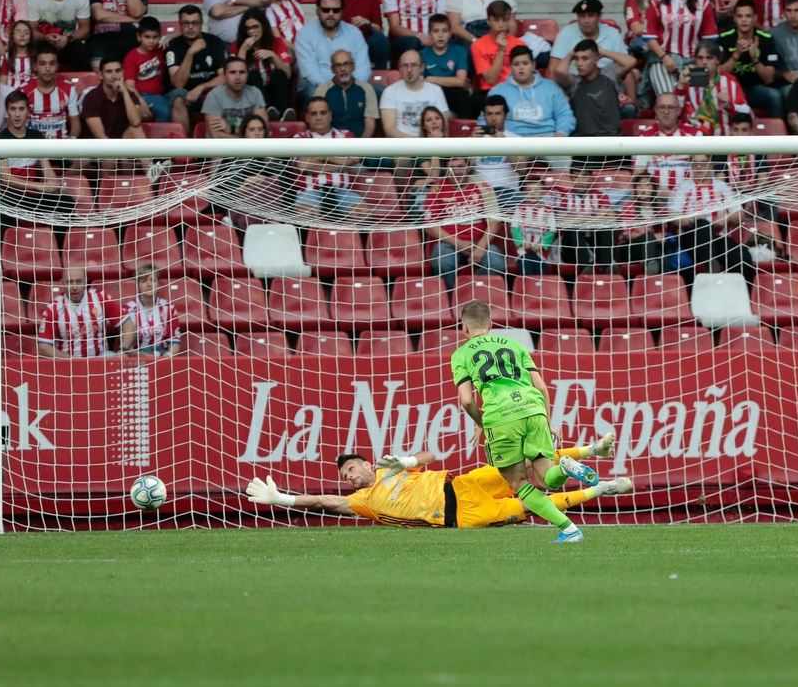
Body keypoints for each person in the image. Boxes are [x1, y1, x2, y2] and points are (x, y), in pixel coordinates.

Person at [244, 438, 628, 529]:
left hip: (460, 484)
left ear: (364, 461)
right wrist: (284, 498)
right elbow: (326, 503)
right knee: (529, 506)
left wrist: (408, 460)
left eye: (351, 470)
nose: (349, 478)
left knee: (525, 465)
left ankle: (591, 451)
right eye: (346, 478)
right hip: (461, 515)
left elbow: (429, 457)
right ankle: (599, 489)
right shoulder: (365, 501)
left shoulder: (390, 466)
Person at [450, 299, 590, 543]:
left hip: (502, 417)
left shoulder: (461, 354)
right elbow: (542, 387)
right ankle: (566, 475)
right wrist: (546, 421)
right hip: (534, 408)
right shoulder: (515, 345)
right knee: (547, 479)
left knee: (518, 482)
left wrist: (481, 423)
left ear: (464, 328)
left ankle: (569, 529)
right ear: (491, 325)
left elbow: (466, 400)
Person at [423, 158, 507, 288]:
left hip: (479, 242)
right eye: (452, 168)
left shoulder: (483, 186)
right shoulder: (436, 189)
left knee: (497, 264)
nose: (456, 171)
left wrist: (480, 248)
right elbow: (431, 227)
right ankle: (452, 300)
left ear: (468, 169)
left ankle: (468, 291)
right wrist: (458, 243)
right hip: (448, 244)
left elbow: (494, 222)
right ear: (446, 170)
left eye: (460, 167)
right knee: (444, 263)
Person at [645, 0, 719, 93]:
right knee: (668, 99)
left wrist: (700, 62)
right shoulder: (657, 2)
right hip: (663, 59)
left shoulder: (702, 1)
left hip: (694, 60)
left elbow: (709, 37)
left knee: (698, 99)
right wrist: (665, 58)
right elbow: (650, 36)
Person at [295, 0, 373, 110]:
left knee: (378, 91)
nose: (331, 14)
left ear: (342, 12)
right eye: (326, 10)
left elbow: (363, 68)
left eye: (335, 10)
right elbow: (311, 73)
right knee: (313, 93)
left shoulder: (354, 33)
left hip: (351, 85)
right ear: (318, 11)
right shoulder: (305, 34)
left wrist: (351, 88)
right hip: (317, 88)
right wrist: (335, 90)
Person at [553, 0, 637, 108]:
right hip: (578, 83)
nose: (586, 20)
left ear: (599, 16)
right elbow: (554, 70)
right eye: (582, 16)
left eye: (590, 15)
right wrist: (572, 54)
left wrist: (603, 52)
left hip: (609, 82)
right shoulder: (566, 33)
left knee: (629, 108)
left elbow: (629, 65)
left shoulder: (612, 33)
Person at [291, 97, 365, 219]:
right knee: (305, 214)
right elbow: (303, 165)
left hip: (342, 191)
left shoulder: (345, 135)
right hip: (311, 191)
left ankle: (344, 238)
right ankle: (320, 239)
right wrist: (340, 165)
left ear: (330, 115)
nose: (319, 117)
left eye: (323, 113)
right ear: (307, 117)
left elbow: (353, 160)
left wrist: (320, 156)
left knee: (362, 213)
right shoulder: (299, 138)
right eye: (314, 113)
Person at [717, 0, 784, 118]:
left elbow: (769, 79)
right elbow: (718, 74)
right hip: (729, 89)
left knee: (774, 96)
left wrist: (755, 58)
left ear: (754, 18)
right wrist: (736, 55)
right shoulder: (724, 39)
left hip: (754, 89)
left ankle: (775, 135)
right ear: (734, 18)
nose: (744, 20)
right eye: (740, 16)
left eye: (748, 16)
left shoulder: (766, 39)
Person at [165, 5, 229, 131]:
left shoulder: (214, 42)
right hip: (185, 94)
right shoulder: (173, 45)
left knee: (224, 92)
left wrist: (201, 87)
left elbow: (225, 76)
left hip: (210, 91)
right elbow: (178, 84)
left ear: (201, 23)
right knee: (178, 97)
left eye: (194, 23)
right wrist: (190, 53)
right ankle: (184, 148)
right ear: (179, 24)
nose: (190, 27)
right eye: (186, 23)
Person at [495, 47, 577, 142]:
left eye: (525, 63)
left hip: (547, 138)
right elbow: (487, 119)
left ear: (533, 65)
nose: (521, 68)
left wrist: (561, 133)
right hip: (511, 138)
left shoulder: (551, 87)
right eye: (516, 64)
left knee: (564, 154)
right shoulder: (498, 91)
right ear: (510, 67)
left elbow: (565, 114)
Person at [234, 9, 294, 120]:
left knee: (279, 73)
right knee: (253, 75)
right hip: (251, 93)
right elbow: (234, 76)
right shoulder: (237, 45)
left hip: (274, 90)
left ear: (263, 26)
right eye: (248, 28)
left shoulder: (277, 42)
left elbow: (288, 74)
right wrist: (243, 49)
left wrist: (273, 56)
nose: (251, 31)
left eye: (255, 27)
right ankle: (266, 113)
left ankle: (282, 115)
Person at [676, 40, 749, 132]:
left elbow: (746, 112)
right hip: (695, 139)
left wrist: (729, 106)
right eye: (700, 58)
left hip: (724, 138)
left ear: (718, 60)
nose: (704, 62)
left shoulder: (730, 81)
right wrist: (680, 86)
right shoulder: (687, 80)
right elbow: (675, 113)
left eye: (709, 58)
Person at [37, 266, 109, 358]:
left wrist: (123, 349)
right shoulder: (53, 308)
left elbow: (126, 322)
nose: (74, 287)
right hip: (68, 365)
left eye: (78, 282)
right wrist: (70, 359)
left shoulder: (100, 298)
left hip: (100, 361)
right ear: (62, 282)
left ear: (85, 281)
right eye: (69, 282)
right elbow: (43, 347)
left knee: (112, 356)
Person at [381, 49, 451, 138]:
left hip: (431, 147)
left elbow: (444, 126)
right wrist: (418, 143)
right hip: (402, 147)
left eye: (414, 65)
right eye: (405, 65)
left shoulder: (435, 90)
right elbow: (389, 129)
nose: (409, 70)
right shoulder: (390, 92)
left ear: (422, 67)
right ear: (399, 68)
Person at [472, 97, 526, 204]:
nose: (493, 118)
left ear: (505, 115)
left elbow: (522, 169)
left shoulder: (516, 139)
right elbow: (462, 169)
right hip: (480, 193)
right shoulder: (476, 138)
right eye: (489, 114)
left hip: (508, 193)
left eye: (498, 114)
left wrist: (505, 145)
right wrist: (471, 144)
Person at [340, 0, 390, 73]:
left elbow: (379, 29)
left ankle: (380, 76)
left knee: (380, 39)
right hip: (344, 42)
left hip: (366, 42)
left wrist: (367, 22)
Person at [313, 51, 379, 137]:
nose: (343, 69)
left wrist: (361, 146)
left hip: (360, 143)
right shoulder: (322, 91)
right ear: (332, 69)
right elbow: (319, 123)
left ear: (353, 66)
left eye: (346, 64)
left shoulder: (366, 89)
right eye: (338, 65)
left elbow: (370, 124)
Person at [81, 55, 147, 141]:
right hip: (96, 146)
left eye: (118, 71)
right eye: (109, 72)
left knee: (137, 130)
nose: (114, 76)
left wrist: (124, 93)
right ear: (101, 75)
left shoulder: (129, 95)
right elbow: (100, 136)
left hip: (119, 143)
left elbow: (136, 122)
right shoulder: (91, 98)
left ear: (123, 72)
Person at [119, 263, 180, 355]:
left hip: (162, 353)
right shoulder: (128, 309)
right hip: (138, 355)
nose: (149, 285)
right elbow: (126, 347)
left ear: (158, 284)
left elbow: (175, 340)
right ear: (138, 286)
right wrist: (145, 356)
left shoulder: (168, 308)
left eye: (153, 280)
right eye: (143, 281)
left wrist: (167, 357)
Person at [568, 39, 625, 136]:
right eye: (576, 59)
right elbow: (558, 71)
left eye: (585, 58)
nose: (579, 63)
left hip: (612, 138)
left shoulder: (609, 74)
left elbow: (631, 62)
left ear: (596, 59)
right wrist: (570, 54)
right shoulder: (575, 81)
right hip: (584, 140)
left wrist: (604, 52)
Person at [420, 14, 474, 117]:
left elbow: (460, 81)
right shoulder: (422, 54)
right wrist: (451, 81)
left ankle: (465, 130)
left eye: (444, 31)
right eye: (436, 31)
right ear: (429, 34)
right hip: (431, 93)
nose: (440, 35)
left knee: (464, 97)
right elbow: (420, 82)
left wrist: (430, 78)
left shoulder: (460, 51)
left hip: (453, 93)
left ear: (450, 33)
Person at [22, 51, 82, 141]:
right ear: (34, 66)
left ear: (57, 66)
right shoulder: (24, 91)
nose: (47, 68)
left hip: (60, 147)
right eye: (42, 64)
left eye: (52, 64)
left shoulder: (69, 89)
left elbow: (75, 124)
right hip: (32, 147)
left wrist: (72, 139)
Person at [203, 57, 270, 137]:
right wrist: (247, 138)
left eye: (242, 72)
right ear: (224, 75)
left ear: (247, 74)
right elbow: (217, 136)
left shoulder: (255, 93)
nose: (238, 77)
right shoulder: (214, 96)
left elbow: (262, 129)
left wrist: (232, 129)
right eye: (232, 72)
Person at [509, 175, 560, 275]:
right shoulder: (520, 209)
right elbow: (514, 228)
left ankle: (538, 289)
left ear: (543, 193)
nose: (533, 194)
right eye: (530, 190)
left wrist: (541, 245)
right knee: (526, 266)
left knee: (540, 269)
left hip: (540, 251)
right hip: (523, 250)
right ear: (525, 192)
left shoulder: (548, 211)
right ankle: (527, 289)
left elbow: (552, 231)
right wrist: (522, 242)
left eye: (536, 191)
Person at [123, 18, 171, 122]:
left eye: (155, 37)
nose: (151, 41)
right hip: (138, 95)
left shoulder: (160, 49)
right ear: (138, 37)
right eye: (147, 37)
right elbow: (129, 86)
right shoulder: (131, 56)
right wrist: (140, 102)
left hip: (157, 96)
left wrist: (170, 38)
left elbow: (181, 34)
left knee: (165, 110)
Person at [470, 1, 519, 95]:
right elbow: (491, 79)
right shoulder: (477, 46)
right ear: (488, 21)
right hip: (490, 92)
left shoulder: (519, 44)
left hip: (515, 90)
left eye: (505, 20)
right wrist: (501, 51)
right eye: (496, 20)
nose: (501, 25)